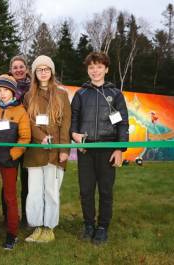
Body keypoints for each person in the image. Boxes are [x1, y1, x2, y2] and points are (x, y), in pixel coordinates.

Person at [71, 52, 128, 244]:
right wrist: (74, 134)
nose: (95, 71)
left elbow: (123, 124)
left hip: (108, 149)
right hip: (85, 150)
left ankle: (103, 227)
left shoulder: (116, 94)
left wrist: (119, 149)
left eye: (99, 67)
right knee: (86, 190)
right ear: (88, 70)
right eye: (91, 67)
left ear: (106, 69)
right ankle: (89, 224)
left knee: (105, 191)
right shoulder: (80, 94)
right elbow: (74, 119)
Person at [23, 55, 71, 243]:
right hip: (35, 151)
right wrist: (41, 137)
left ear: (51, 72)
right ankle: (36, 226)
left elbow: (66, 123)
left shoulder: (61, 94)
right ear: (34, 73)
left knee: (51, 191)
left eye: (46, 69)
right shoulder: (29, 96)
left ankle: (49, 227)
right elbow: (27, 122)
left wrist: (64, 149)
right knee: (34, 191)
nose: (43, 72)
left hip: (55, 151)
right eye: (39, 69)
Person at [0, 74, 31, 250]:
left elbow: (25, 138)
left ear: (13, 92)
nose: (2, 94)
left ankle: (12, 233)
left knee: (9, 197)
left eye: (6, 90)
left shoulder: (20, 111)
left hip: (9, 161)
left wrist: (12, 155)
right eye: (0, 90)